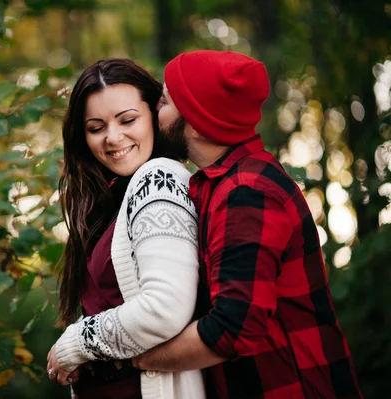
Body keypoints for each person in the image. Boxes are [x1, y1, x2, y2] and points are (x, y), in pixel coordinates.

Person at [133, 50, 363, 398]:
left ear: (194, 121)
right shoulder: (221, 184)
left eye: (163, 102)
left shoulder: (247, 193)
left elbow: (233, 328)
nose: (153, 111)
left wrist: (135, 360)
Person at [46, 58, 206, 399]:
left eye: (127, 120)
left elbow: (164, 308)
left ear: (155, 113)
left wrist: (76, 343)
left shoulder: (158, 180)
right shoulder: (114, 197)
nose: (113, 138)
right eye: (95, 127)